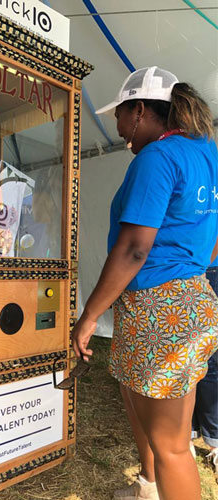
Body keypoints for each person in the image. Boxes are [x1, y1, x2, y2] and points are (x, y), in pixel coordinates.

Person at [71, 66, 218, 500]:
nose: (117, 129)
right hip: (192, 300)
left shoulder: (157, 157)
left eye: (119, 116)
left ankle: (158, 483)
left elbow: (135, 248)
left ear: (139, 111)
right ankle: (148, 488)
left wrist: (89, 316)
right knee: (145, 405)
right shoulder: (206, 152)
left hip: (160, 308)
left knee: (172, 445)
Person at [191, 258, 218, 482]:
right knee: (182, 363)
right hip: (188, 268)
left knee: (211, 365)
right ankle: (185, 438)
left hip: (205, 268)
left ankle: (215, 442)